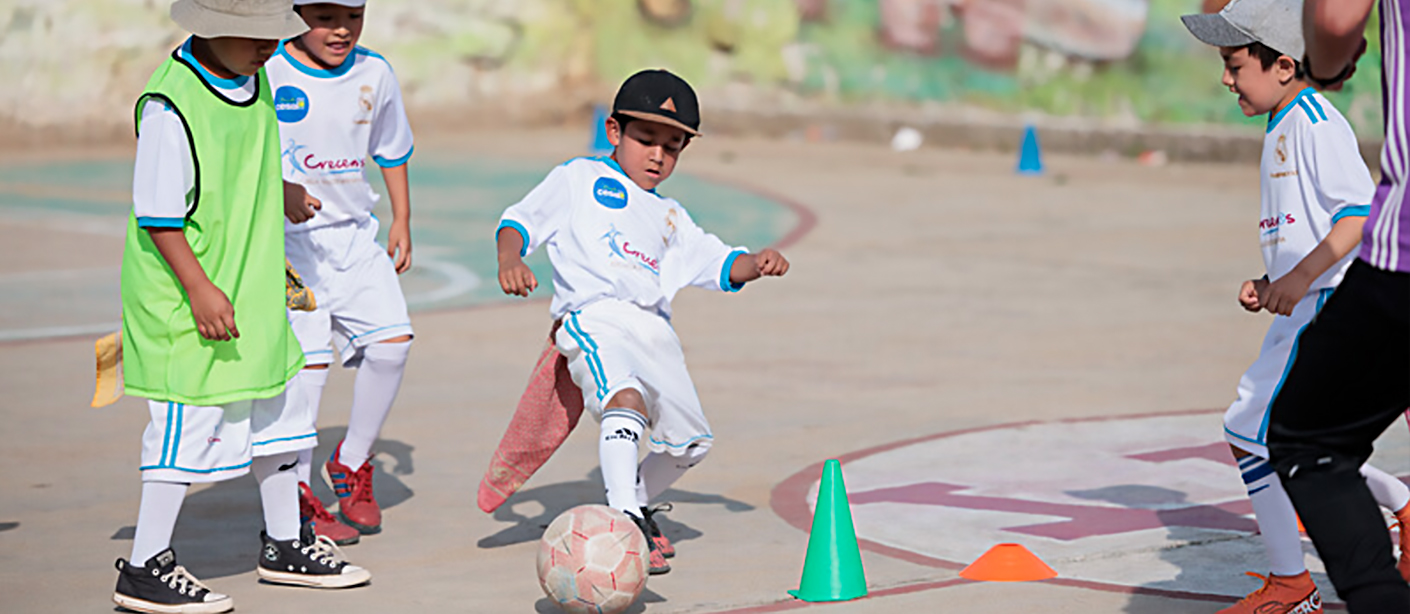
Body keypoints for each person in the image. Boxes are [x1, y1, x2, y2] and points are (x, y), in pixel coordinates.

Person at [113, 1, 370, 612]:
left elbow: (236, 160)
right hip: (190, 298)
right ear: (210, 26)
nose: (270, 45)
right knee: (186, 423)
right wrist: (201, 290)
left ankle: (284, 544)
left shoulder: (249, 77)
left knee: (281, 415)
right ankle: (145, 565)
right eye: (257, 34)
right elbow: (160, 216)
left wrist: (275, 191)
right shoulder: (171, 106)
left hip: (251, 287)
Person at [494, 69, 790, 575]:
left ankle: (631, 503)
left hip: (656, 333)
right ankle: (625, 523)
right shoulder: (578, 179)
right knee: (624, 400)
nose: (658, 155)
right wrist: (510, 258)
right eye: (646, 139)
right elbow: (517, 221)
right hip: (595, 319)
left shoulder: (671, 216)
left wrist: (756, 263)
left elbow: (719, 263)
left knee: (690, 443)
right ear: (614, 131)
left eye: (672, 147)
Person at [1182, 2, 1410, 612]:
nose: (1226, 79)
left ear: (1284, 65)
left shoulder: (1312, 121)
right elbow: (1305, 228)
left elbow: (1358, 216)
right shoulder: (1283, 122)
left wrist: (1301, 279)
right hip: (1304, 301)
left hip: (1327, 302)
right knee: (1280, 439)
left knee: (1250, 428)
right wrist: (1272, 280)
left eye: (1234, 65)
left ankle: (1292, 583)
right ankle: (1399, 506)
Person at [1264, 0, 1410, 611]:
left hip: (1404, 262)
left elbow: (1333, 17)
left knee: (1307, 440)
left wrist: (1324, 66)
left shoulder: (1313, 117)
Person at [266, 0, 416, 542]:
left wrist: (401, 217)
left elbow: (392, 150)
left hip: (355, 238)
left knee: (393, 344)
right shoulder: (268, 69)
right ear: (296, 12)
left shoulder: (375, 73)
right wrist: (279, 193)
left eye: (352, 16)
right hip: (288, 246)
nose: (340, 29)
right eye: (325, 16)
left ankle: (350, 462)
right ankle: (297, 494)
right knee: (309, 368)